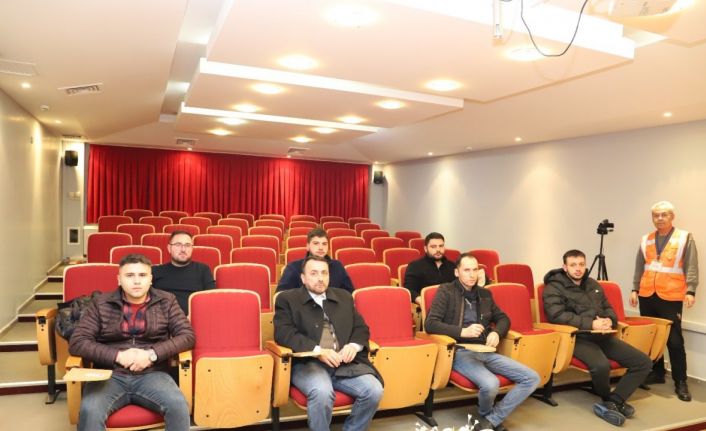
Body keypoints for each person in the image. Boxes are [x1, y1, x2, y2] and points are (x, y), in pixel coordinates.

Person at [69, 254, 195, 431]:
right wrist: (118, 356)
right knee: (90, 411)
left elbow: (187, 336)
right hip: (109, 375)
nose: (137, 281)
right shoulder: (100, 303)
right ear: (119, 279)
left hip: (153, 373)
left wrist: (151, 355)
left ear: (150, 279)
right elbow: (78, 342)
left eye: (142, 275)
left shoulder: (167, 301)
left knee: (178, 406)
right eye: (129, 275)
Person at [425, 253, 539, 431]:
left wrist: (497, 333)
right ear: (457, 272)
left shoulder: (485, 294)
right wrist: (462, 331)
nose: (472, 275)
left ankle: (491, 420)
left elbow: (503, 319)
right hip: (460, 351)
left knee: (532, 378)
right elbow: (430, 324)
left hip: (485, 350)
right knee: (491, 384)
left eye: (475, 270)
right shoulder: (446, 291)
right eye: (467, 270)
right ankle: (489, 418)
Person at [274, 255, 383, 431]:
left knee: (374, 390)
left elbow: (361, 328)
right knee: (322, 392)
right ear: (303, 278)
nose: (320, 278)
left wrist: (353, 346)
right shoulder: (287, 299)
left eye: (324, 273)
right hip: (308, 364)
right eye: (314, 273)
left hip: (343, 363)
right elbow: (284, 334)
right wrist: (318, 351)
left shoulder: (344, 297)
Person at [544, 250, 652, 427]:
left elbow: (608, 307)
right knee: (601, 366)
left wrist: (610, 320)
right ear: (565, 267)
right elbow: (556, 316)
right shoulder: (553, 287)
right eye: (573, 265)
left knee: (643, 362)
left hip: (602, 336)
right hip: (577, 338)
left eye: (581, 264)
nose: (578, 269)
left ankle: (614, 401)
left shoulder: (593, 284)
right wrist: (591, 324)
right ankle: (608, 399)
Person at [631, 200, 698, 401]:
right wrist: (634, 288)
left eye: (664, 214)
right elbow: (639, 265)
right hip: (647, 294)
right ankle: (657, 372)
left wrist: (691, 290)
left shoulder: (684, 237)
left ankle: (681, 382)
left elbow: (691, 265)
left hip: (671, 295)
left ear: (672, 217)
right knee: (652, 336)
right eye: (656, 215)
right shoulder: (646, 239)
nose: (659, 218)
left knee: (674, 340)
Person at [152, 230, 215, 314]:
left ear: (192, 249)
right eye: (178, 245)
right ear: (169, 248)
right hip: (163, 318)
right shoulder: (156, 271)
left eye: (187, 245)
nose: (183, 249)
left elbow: (211, 300)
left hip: (193, 318)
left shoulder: (203, 270)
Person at [276, 228, 354, 293]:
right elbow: (281, 295)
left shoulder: (338, 266)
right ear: (308, 246)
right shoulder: (293, 267)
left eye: (324, 244)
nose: (321, 248)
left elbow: (349, 293)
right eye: (316, 243)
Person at [404, 232, 457, 305]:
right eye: (433, 247)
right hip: (428, 305)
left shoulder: (452, 265)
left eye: (441, 246)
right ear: (426, 249)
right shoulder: (415, 266)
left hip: (451, 305)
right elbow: (409, 289)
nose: (438, 249)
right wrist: (422, 302)